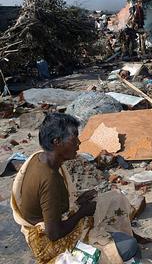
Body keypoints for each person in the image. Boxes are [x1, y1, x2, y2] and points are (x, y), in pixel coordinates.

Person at [11, 113, 144, 264]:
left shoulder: (40, 158)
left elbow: (48, 203)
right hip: (48, 242)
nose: (79, 143)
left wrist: (78, 201)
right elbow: (54, 234)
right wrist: (82, 212)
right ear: (57, 142)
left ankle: (119, 234)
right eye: (74, 138)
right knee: (129, 246)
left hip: (53, 222)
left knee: (115, 198)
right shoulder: (49, 179)